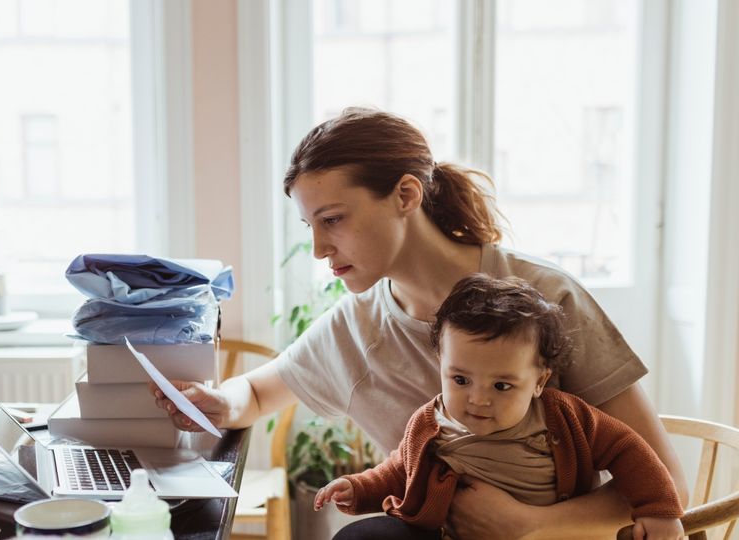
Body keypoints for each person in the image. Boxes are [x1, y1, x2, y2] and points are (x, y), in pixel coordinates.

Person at [149, 108, 688, 538]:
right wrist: (219, 403)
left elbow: (670, 484)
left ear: (406, 195)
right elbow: (258, 394)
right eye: (310, 226)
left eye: (333, 220)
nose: (317, 249)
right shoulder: (355, 326)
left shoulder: (544, 298)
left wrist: (530, 526)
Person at [314, 274, 684, 540]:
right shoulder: (431, 421)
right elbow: (400, 469)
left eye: (502, 385)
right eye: (460, 380)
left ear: (539, 381)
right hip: (445, 531)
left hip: (544, 534)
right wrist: (357, 488)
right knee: (363, 536)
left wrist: (659, 511)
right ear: (441, 365)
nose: (477, 399)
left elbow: (629, 450)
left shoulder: (564, 417)